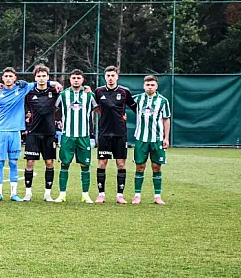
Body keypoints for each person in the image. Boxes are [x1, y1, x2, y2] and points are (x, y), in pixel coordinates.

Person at [0, 67, 62, 202]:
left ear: (15, 78)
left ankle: (14, 194)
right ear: (2, 78)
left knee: (13, 162)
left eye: (10, 76)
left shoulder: (23, 89)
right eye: (5, 76)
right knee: (0, 162)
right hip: (0, 131)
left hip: (16, 132)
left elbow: (40, 83)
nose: (8, 78)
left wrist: (55, 83)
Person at [94, 65, 137, 204]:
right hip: (104, 133)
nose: (110, 78)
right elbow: (94, 107)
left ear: (117, 76)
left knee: (121, 164)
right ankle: (101, 194)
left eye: (113, 75)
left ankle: (120, 195)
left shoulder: (125, 92)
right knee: (102, 164)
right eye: (108, 76)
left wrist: (122, 116)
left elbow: (135, 107)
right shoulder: (99, 91)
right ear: (105, 77)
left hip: (120, 133)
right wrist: (105, 115)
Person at [54, 69, 98, 203]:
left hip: (84, 136)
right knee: (64, 164)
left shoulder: (89, 96)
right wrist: (57, 122)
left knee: (85, 165)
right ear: (70, 79)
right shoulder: (63, 94)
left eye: (79, 78)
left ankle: (85, 194)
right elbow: (54, 109)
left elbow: (98, 110)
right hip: (67, 135)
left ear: (83, 80)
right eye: (74, 78)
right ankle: (62, 194)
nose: (76, 80)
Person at [132, 75, 170, 205]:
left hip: (157, 139)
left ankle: (157, 196)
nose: (150, 87)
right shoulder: (137, 99)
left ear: (156, 86)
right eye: (147, 85)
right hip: (141, 139)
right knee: (140, 167)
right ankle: (137, 195)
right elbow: (120, 103)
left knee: (156, 167)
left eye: (152, 85)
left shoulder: (163, 101)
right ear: (143, 86)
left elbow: (166, 119)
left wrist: (166, 138)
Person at [23, 65, 59, 201]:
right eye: (39, 76)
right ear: (35, 78)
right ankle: (28, 193)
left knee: (49, 162)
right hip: (33, 132)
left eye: (44, 76)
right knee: (30, 163)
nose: (41, 78)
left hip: (49, 133)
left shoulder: (55, 92)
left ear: (48, 77)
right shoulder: (29, 93)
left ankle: (47, 194)